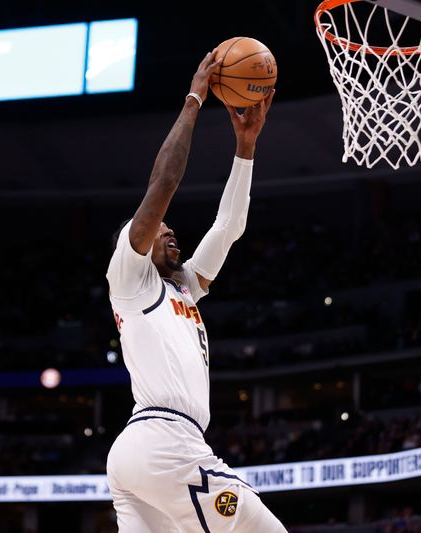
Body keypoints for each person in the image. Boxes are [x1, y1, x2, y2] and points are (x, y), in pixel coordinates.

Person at [105, 49, 285, 532]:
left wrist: (245, 146)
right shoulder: (129, 279)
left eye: (169, 228)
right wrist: (194, 100)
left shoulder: (184, 286)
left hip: (146, 452)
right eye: (157, 227)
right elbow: (164, 181)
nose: (168, 231)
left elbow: (228, 226)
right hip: (163, 443)